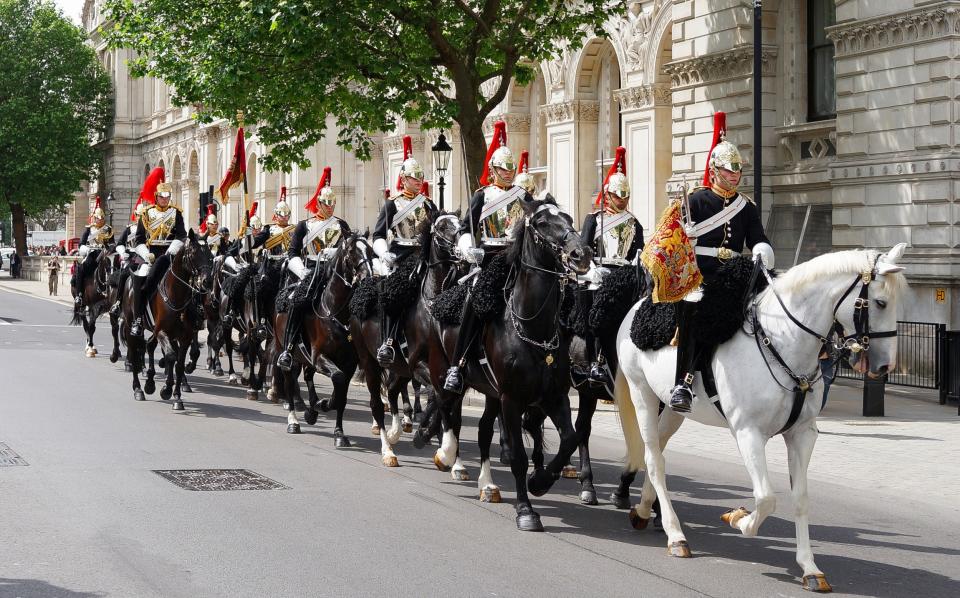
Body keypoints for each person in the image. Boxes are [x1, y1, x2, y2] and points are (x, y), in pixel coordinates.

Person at [668, 112, 774, 413]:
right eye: (729, 171)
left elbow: (757, 238)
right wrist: (685, 239)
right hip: (700, 274)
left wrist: (762, 249)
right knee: (694, 303)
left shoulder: (746, 206)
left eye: (738, 171)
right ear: (714, 171)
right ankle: (683, 383)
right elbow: (668, 243)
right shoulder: (695, 201)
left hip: (734, 274)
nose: (735, 176)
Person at [444, 120, 534, 393]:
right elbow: (465, 226)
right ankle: (457, 365)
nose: (508, 173)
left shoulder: (524, 196)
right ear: (493, 169)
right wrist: (469, 245)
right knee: (475, 300)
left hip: (521, 259)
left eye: (511, 168)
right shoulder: (481, 196)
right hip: (491, 257)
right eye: (503, 169)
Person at [576, 146, 644, 387]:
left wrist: (637, 266)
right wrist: (593, 270)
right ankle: (594, 361)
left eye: (625, 196)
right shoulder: (594, 219)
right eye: (618, 196)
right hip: (598, 274)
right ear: (608, 195)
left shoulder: (634, 222)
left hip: (624, 275)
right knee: (596, 314)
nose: (623, 200)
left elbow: (639, 251)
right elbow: (583, 250)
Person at [371, 134, 437, 366]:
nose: (418, 181)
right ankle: (388, 342)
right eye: (413, 177)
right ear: (403, 178)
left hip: (426, 255)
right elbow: (378, 235)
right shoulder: (392, 204)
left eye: (420, 177)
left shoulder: (428, 204)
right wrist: (383, 253)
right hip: (401, 255)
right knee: (397, 292)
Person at [276, 167, 351, 371]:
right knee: (298, 301)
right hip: (311, 270)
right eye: (327, 203)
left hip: (336, 272)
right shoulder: (304, 226)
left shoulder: (341, 225)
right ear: (318, 202)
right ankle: (288, 348)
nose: (331, 207)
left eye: (333, 203)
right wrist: (301, 271)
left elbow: (349, 250)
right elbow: (292, 253)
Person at [129, 181, 187, 337]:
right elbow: (139, 239)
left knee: (191, 279)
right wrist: (145, 253)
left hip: (170, 255)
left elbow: (182, 235)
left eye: (167, 197)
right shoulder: (146, 213)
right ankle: (138, 319)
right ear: (156, 197)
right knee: (140, 278)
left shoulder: (176, 213)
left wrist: (171, 251)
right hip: (150, 255)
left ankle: (194, 316)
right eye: (162, 197)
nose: (165, 199)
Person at [73, 196, 115, 307]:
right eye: (98, 218)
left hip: (104, 254)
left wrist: (111, 247)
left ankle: (116, 297)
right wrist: (87, 250)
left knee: (115, 270)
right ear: (94, 218)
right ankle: (79, 295)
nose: (100, 220)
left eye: (102, 218)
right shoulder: (89, 229)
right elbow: (81, 244)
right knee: (80, 269)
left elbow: (112, 242)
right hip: (92, 254)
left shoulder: (108, 229)